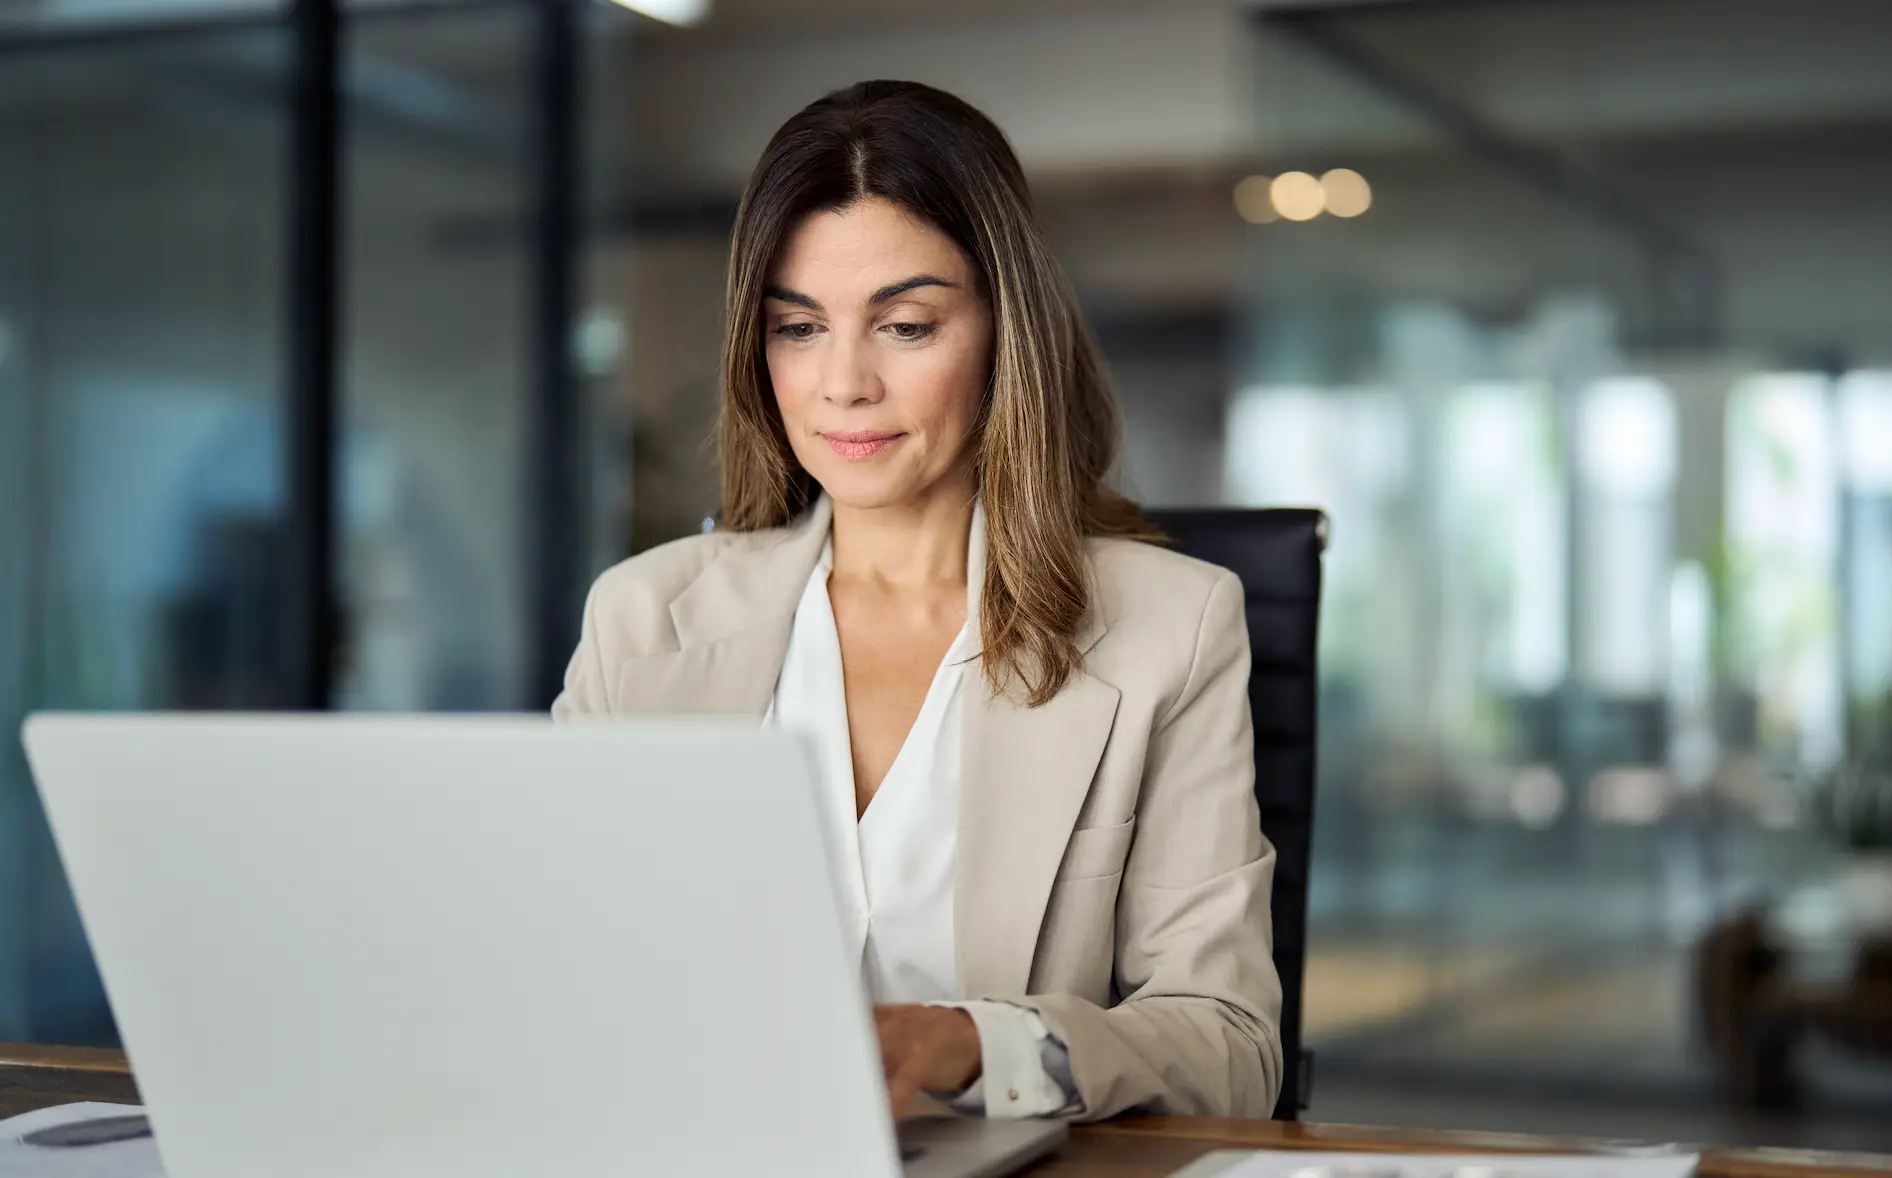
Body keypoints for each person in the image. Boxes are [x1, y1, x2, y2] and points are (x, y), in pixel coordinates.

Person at [554, 80, 1281, 1122]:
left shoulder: (1170, 627)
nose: (843, 383)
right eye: (798, 328)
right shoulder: (641, 618)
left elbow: (1230, 1045)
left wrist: (970, 1041)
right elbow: (548, 965)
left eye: (903, 325)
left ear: (999, 332)